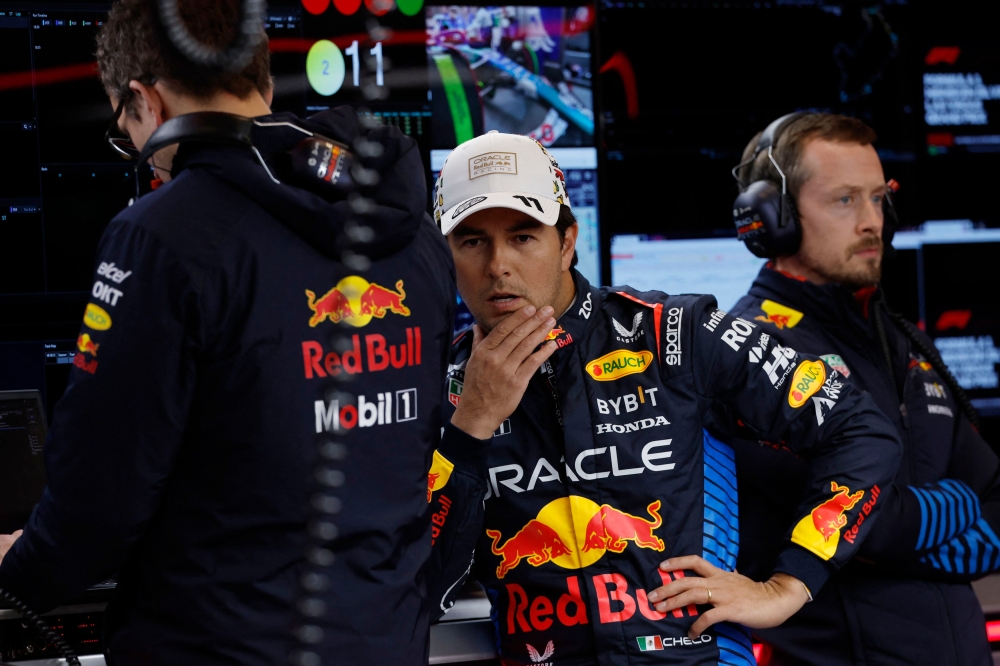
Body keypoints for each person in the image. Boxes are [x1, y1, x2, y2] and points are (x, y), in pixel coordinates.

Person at [0, 1, 455, 664]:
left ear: (144, 102)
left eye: (124, 129)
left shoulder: (159, 236)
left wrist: (19, 571)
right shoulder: (414, 236)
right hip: (384, 641)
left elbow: (98, 501)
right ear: (263, 84)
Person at [423, 130, 902, 665]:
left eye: (523, 236)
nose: (497, 266)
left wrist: (790, 584)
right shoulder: (438, 394)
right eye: (471, 241)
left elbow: (861, 430)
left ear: (566, 242)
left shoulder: (675, 333)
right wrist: (470, 429)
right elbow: (418, 591)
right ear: (447, 257)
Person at [728, 112, 1000, 665]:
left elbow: (995, 502)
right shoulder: (749, 353)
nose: (873, 221)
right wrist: (953, 509)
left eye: (879, 199)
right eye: (845, 200)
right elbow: (864, 524)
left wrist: (896, 530)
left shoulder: (906, 343)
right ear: (773, 217)